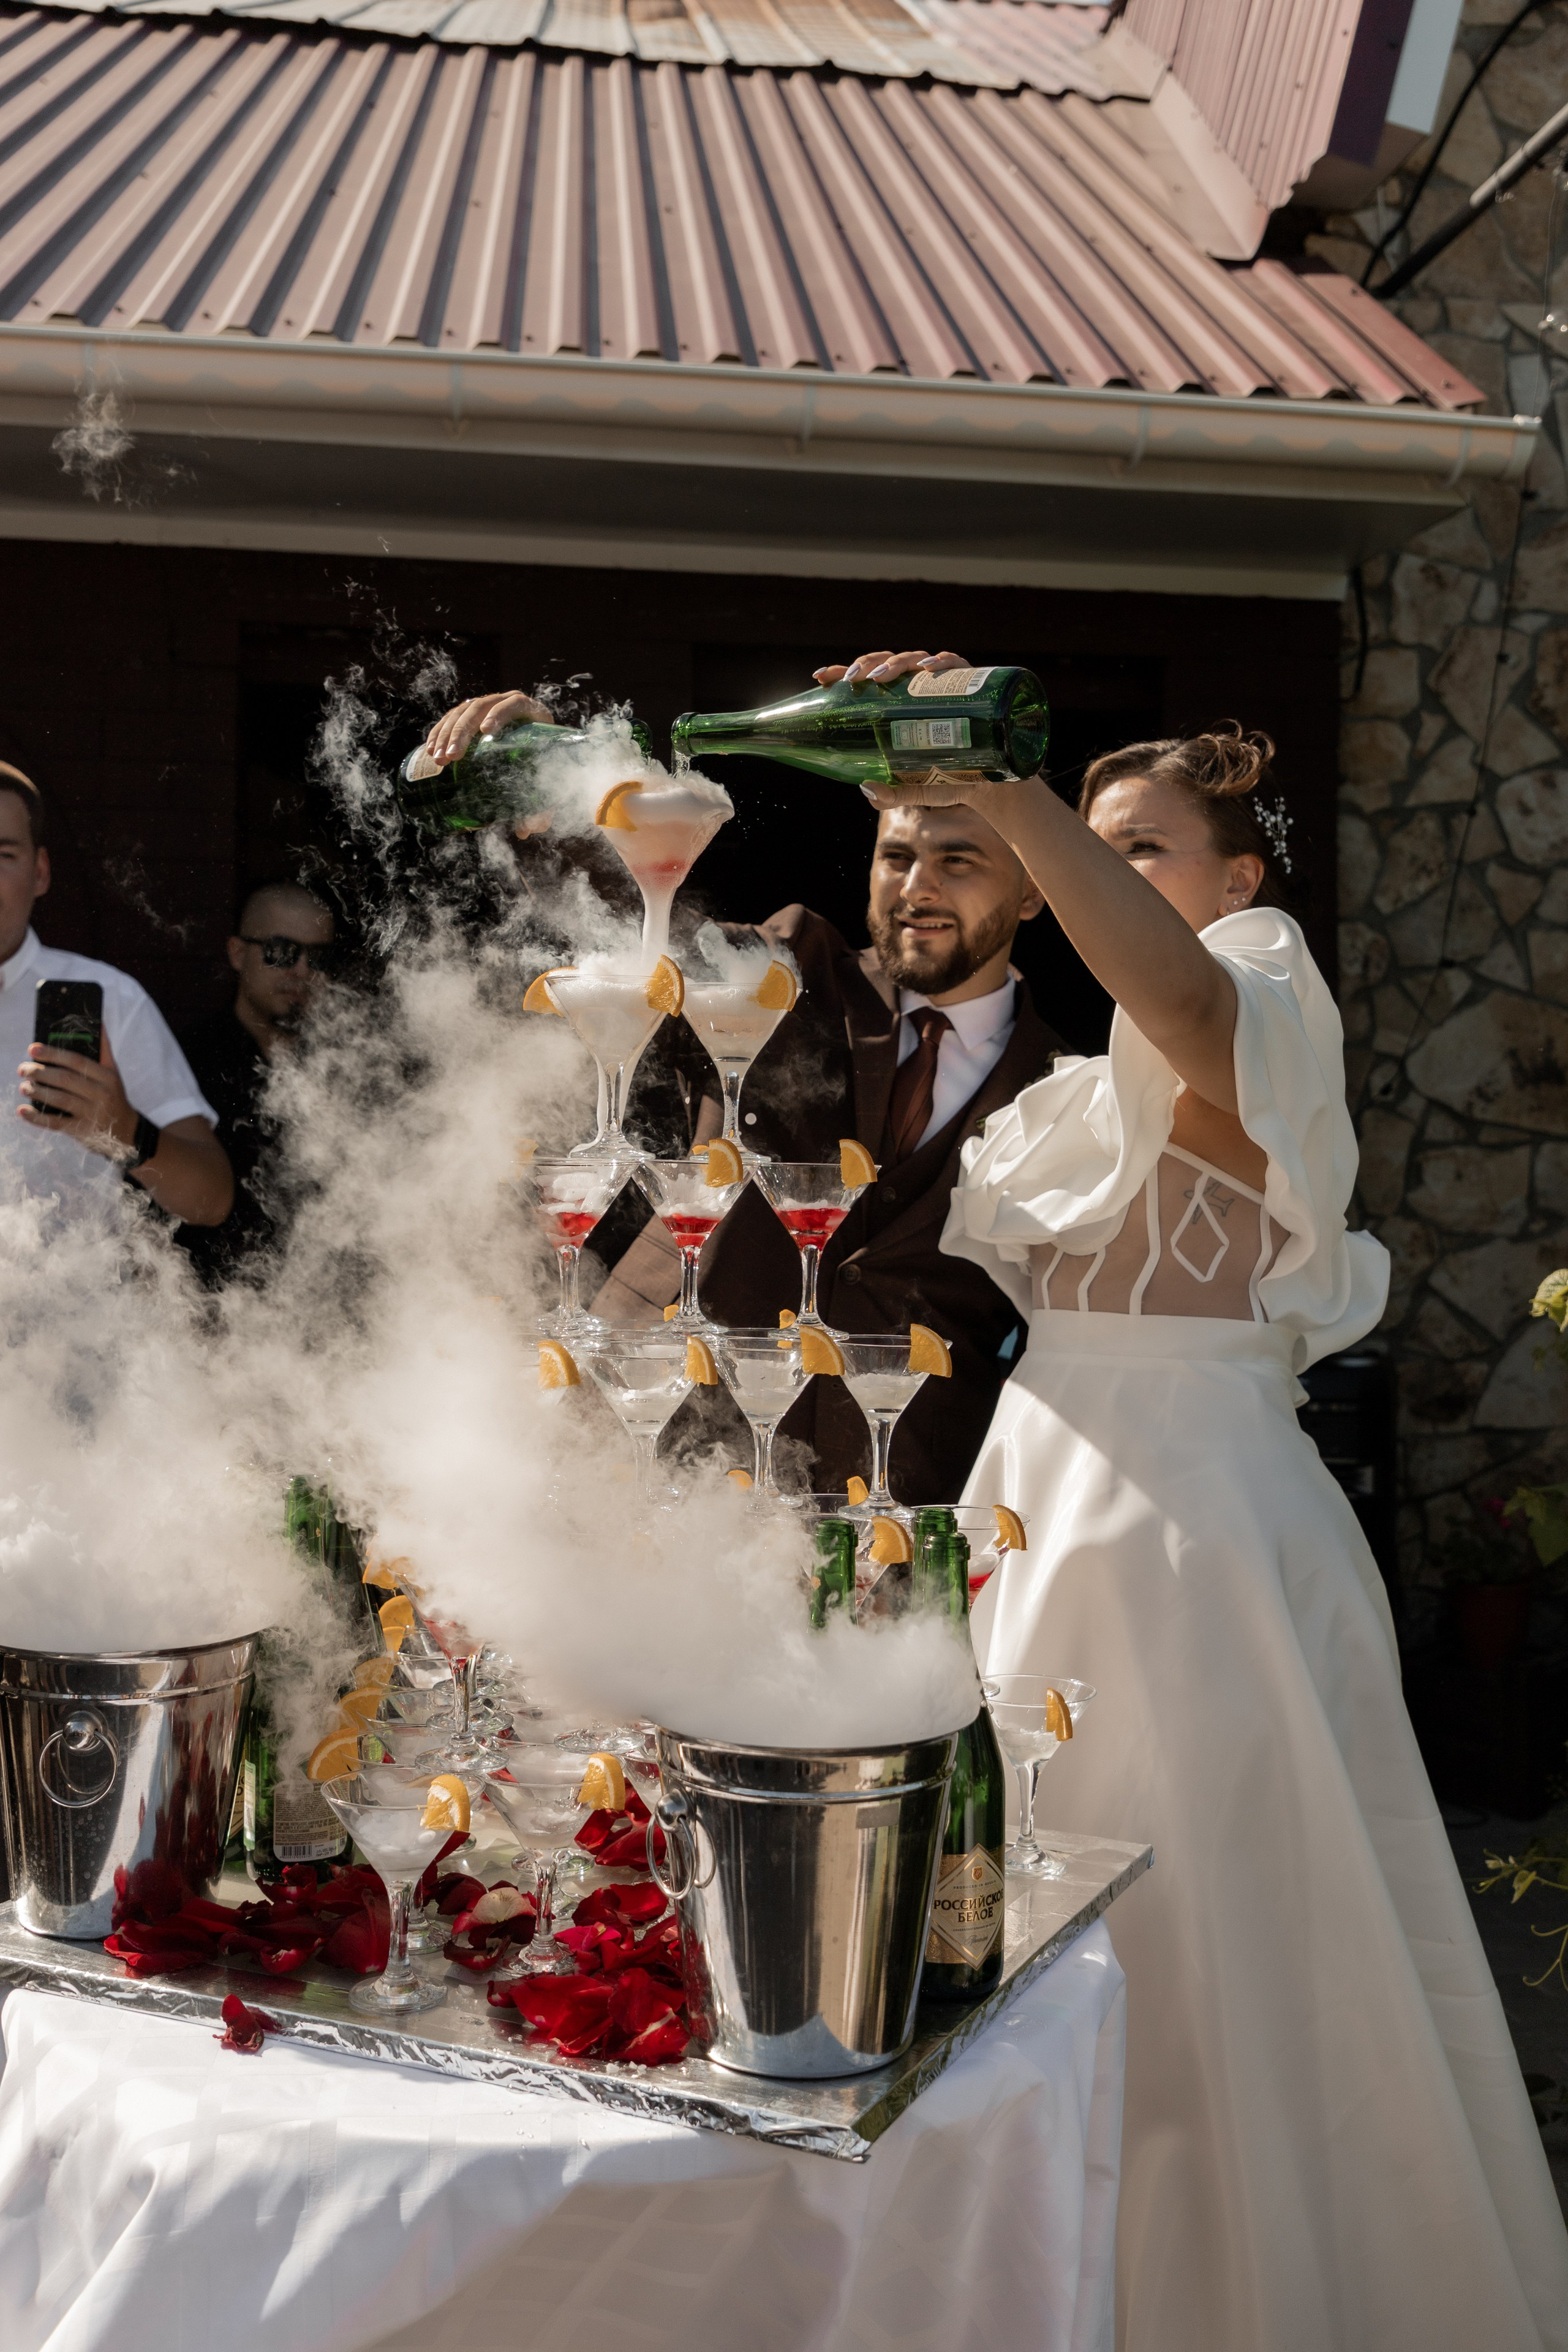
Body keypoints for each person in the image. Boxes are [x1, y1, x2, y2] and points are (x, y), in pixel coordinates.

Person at [823, 652, 1568, 2350]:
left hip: (1191, 1533)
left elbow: (1179, 997)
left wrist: (1002, 775)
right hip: (1042, 1494)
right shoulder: (1097, 1078)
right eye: (1094, 839)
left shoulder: (1257, 993)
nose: (1108, 867)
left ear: (1240, 878)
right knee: (1018, 1933)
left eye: (1144, 844)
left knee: (1207, 1946)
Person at [419, 688, 1065, 1499]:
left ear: (1036, 893)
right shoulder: (789, 973)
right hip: (668, 1435)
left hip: (893, 1494)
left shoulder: (1068, 1086)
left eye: (958, 862)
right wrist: (568, 786)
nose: (917, 889)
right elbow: (642, 909)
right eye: (897, 858)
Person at [0, 763, 232, 1227]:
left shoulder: (112, 1000)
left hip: (70, 1298)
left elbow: (212, 1199)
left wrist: (123, 1130)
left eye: (2, 855)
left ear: (41, 872)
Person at [177, 882, 336, 1282]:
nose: (301, 970)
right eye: (281, 952)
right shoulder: (187, 1061)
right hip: (212, 1312)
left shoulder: (347, 1067)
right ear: (237, 953)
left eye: (318, 957)